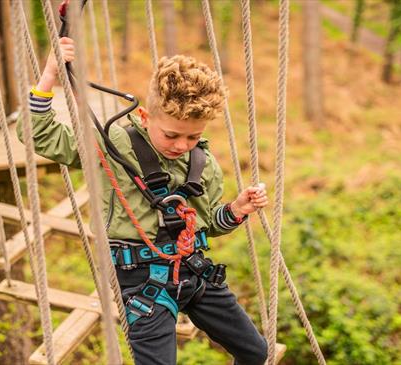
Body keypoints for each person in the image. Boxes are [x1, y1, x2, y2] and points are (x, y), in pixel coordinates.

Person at [18, 37, 268, 365]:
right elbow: (39, 134)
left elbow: (206, 225)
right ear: (146, 117)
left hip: (194, 273)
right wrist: (50, 75)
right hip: (141, 283)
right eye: (171, 134)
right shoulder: (114, 145)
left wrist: (236, 211)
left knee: (255, 351)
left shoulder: (203, 164)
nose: (181, 145)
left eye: (192, 136)